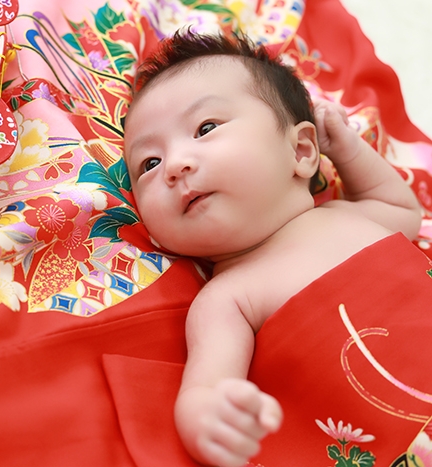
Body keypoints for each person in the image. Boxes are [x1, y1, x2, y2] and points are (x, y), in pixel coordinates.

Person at [122, 30, 422, 467]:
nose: (175, 165)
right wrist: (208, 417)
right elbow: (206, 387)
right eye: (149, 163)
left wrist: (347, 148)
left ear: (301, 150)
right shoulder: (226, 299)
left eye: (206, 128)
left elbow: (405, 211)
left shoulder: (345, 215)